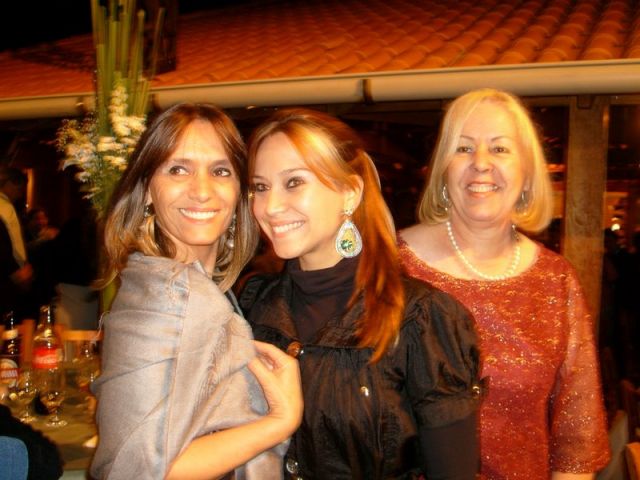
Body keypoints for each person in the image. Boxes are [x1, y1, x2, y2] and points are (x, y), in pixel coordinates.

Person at [240, 108, 481, 479]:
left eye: (294, 182)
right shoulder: (252, 304)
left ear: (350, 193)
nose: (269, 207)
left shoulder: (421, 319)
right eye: (260, 187)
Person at [398, 88, 611, 479]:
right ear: (443, 170)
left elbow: (576, 440)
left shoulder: (556, 280)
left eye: (499, 149)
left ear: (527, 174)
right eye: (463, 148)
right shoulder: (392, 266)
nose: (481, 163)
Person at [90, 103, 303, 480]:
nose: (202, 191)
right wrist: (279, 421)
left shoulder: (193, 287)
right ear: (148, 190)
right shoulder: (172, 294)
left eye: (220, 171)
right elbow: (131, 470)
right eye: (178, 169)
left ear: (239, 192)